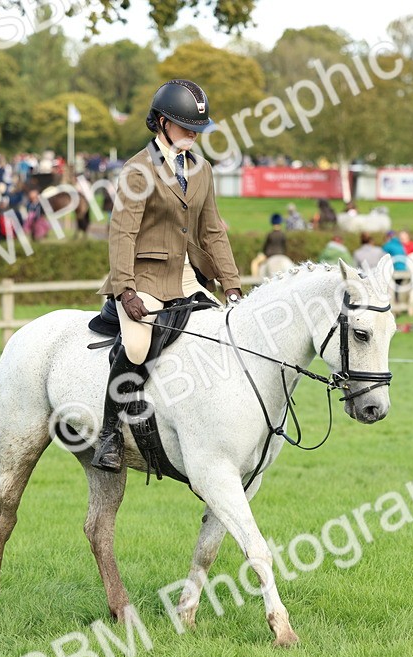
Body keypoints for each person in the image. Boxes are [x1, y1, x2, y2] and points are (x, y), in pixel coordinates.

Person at [92, 78, 243, 472]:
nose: (193, 134)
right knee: (137, 345)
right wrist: (125, 290)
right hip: (145, 276)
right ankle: (109, 434)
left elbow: (213, 231)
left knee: (224, 331)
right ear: (161, 122)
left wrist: (232, 286)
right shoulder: (137, 170)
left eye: (197, 128)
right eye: (185, 126)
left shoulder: (201, 168)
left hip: (188, 275)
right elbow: (122, 233)